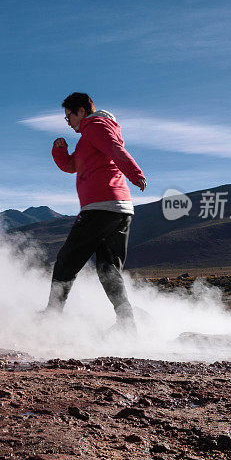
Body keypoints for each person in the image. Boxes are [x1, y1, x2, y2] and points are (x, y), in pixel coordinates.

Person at [40, 92, 147, 332]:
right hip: (119, 209)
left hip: (101, 207)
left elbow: (115, 149)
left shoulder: (95, 127)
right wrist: (60, 150)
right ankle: (126, 322)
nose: (68, 122)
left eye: (69, 116)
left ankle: (51, 316)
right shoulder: (89, 136)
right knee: (108, 268)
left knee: (67, 260)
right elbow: (71, 166)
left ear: (81, 111)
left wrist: (135, 173)